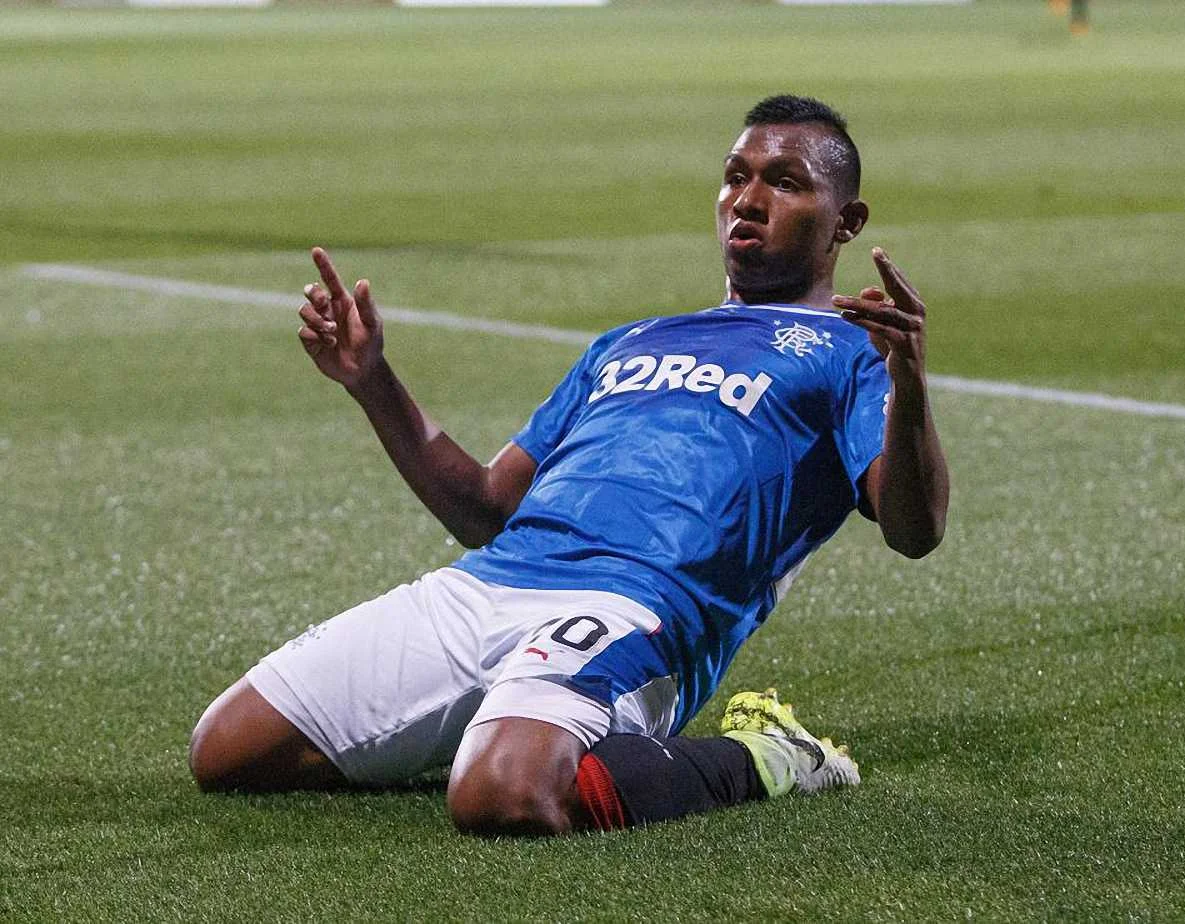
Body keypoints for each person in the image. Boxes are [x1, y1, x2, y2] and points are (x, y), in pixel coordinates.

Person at [188, 95, 949, 836]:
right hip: (492, 583)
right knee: (227, 749)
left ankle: (768, 758)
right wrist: (372, 381)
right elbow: (486, 507)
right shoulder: (631, 341)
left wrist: (909, 382)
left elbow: (915, 530)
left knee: (504, 797)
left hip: (635, 610)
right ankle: (514, 721)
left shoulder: (854, 354)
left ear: (846, 221)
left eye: (785, 182)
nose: (747, 200)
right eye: (735, 176)